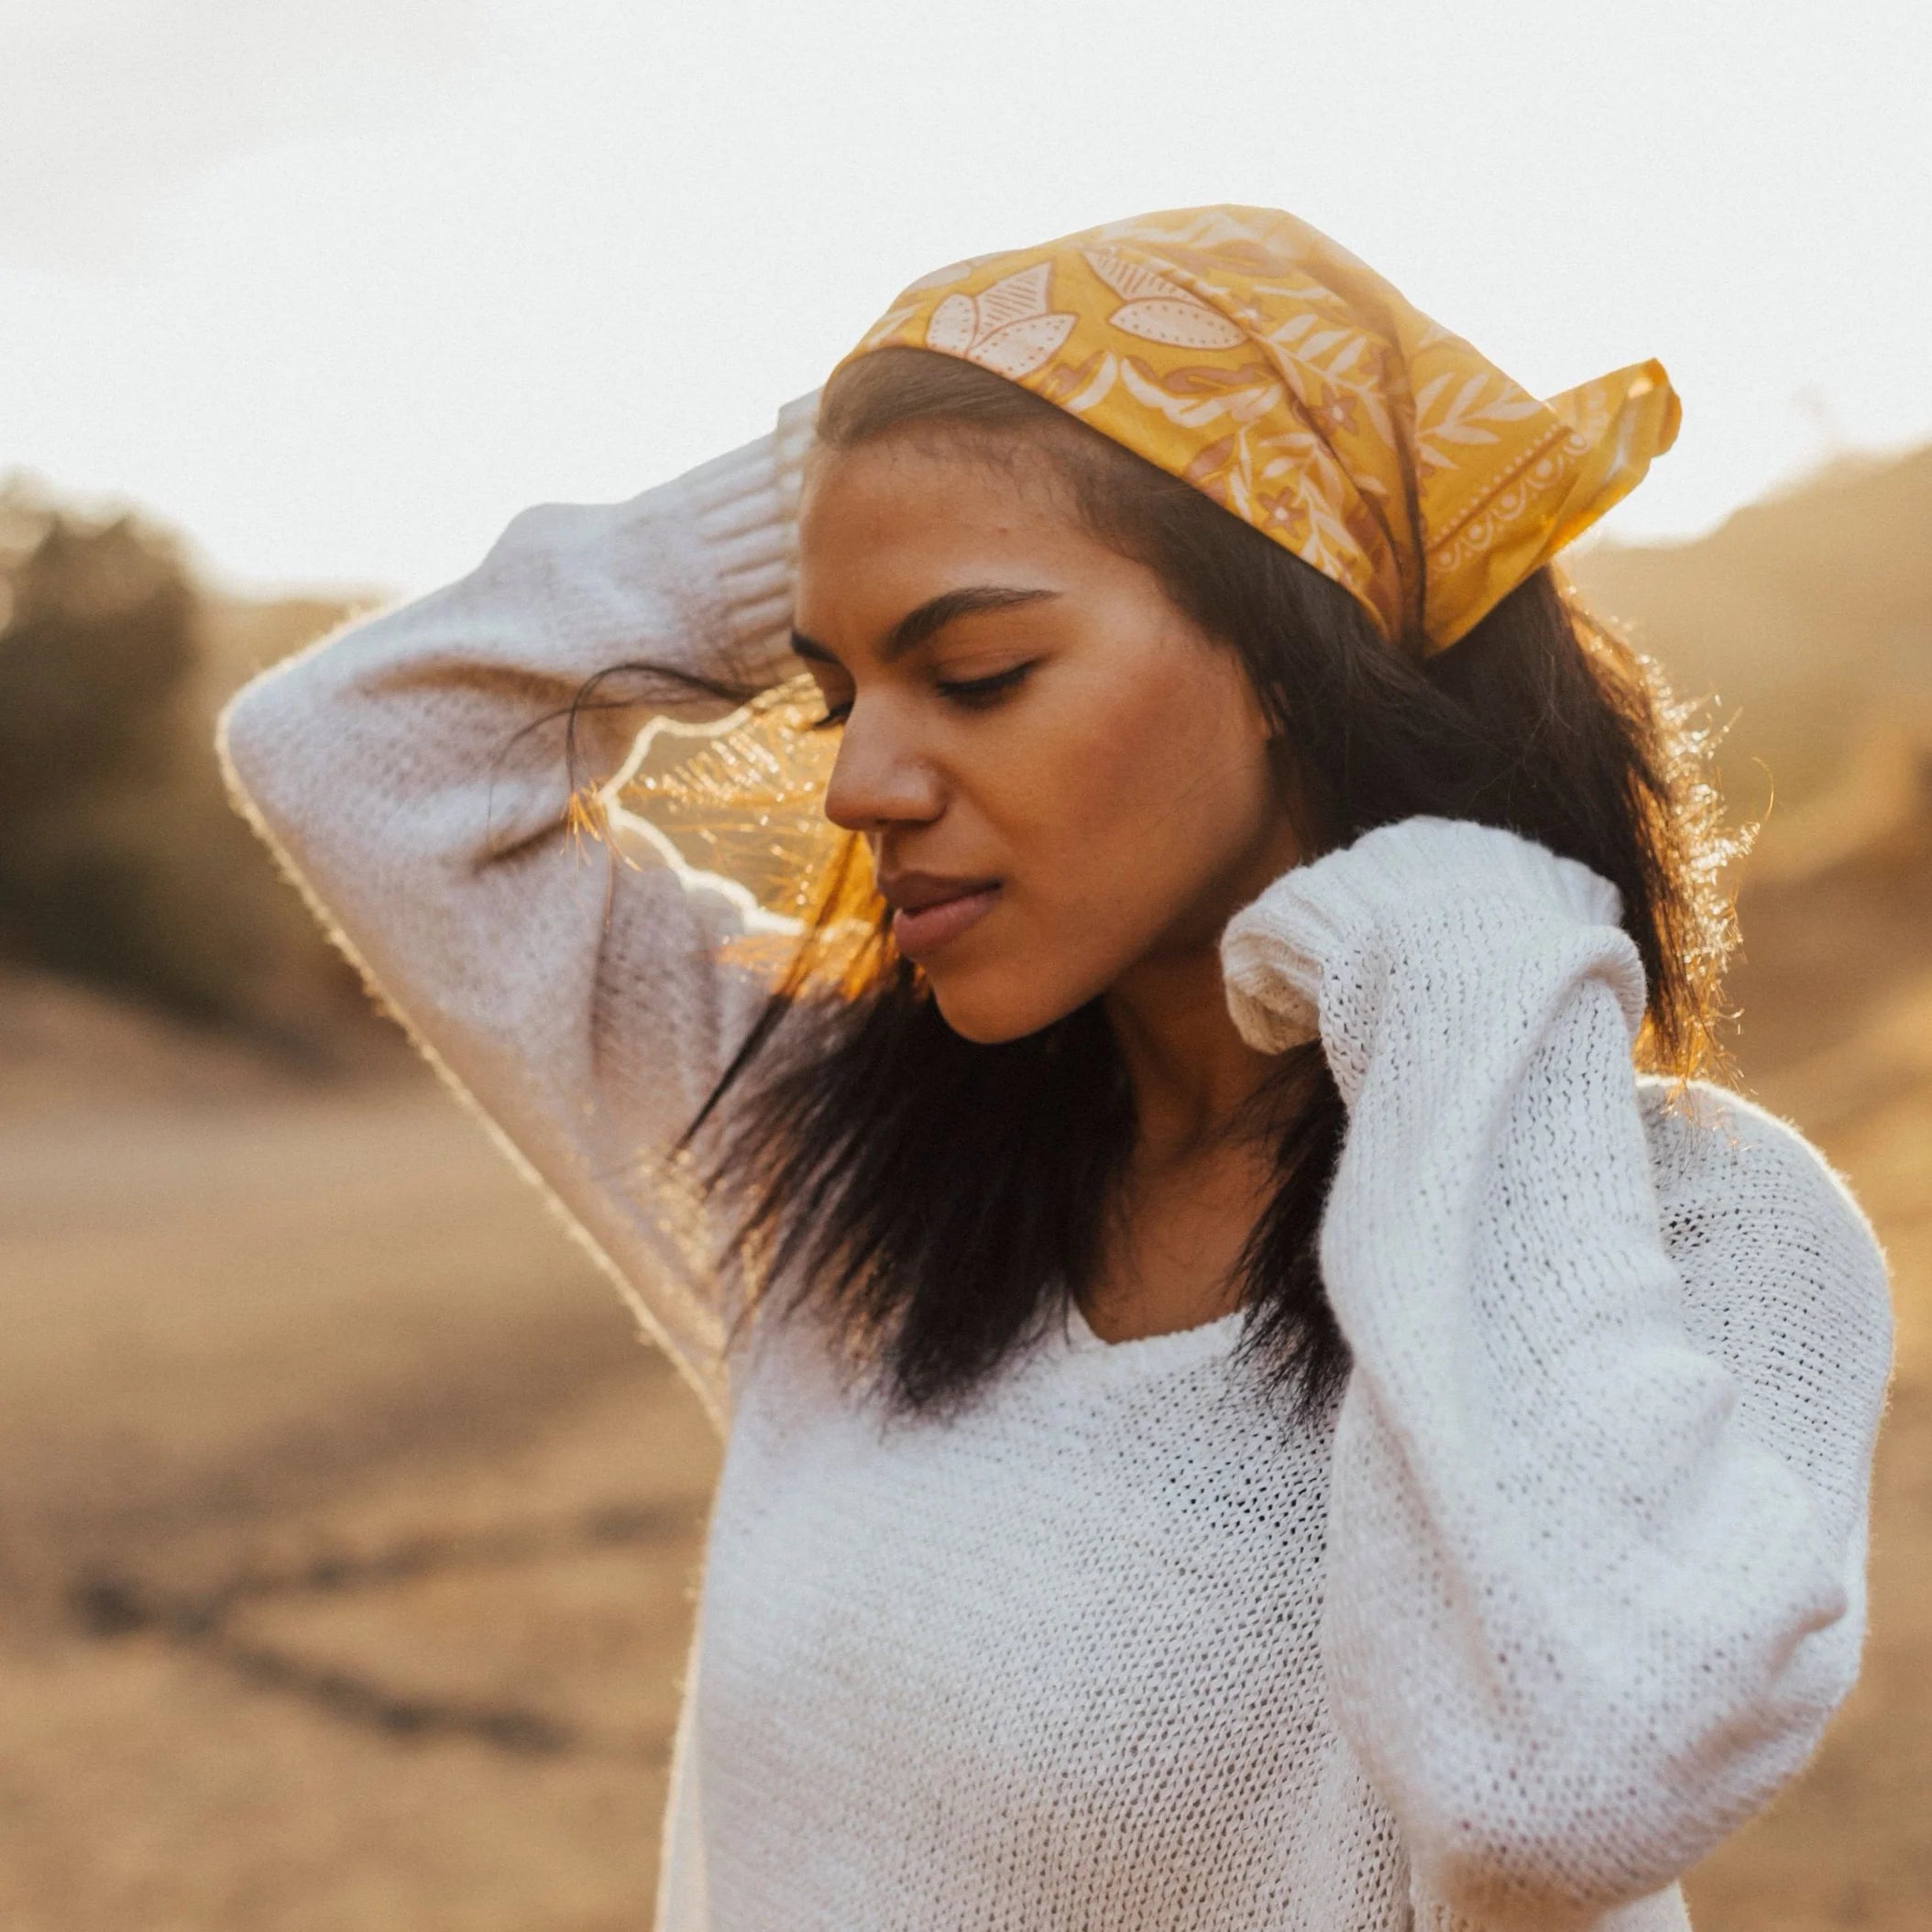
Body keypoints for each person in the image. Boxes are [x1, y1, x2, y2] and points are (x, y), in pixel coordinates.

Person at [216, 204, 1894, 1932]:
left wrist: (1465, 958)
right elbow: (344, 755)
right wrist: (875, 448)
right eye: (832, 692)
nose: (861, 782)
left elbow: (1564, 1793)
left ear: (1291, 662)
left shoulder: (1698, 1226)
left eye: (976, 673)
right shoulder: (840, 1163)